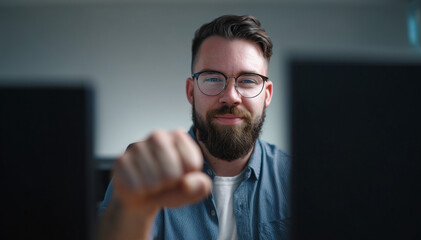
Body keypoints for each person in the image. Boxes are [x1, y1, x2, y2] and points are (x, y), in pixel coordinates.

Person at [97, 15, 291, 240]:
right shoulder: (147, 176)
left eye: (248, 80)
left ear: (266, 95)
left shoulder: (296, 179)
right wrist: (132, 214)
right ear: (191, 91)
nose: (230, 97)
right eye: (212, 79)